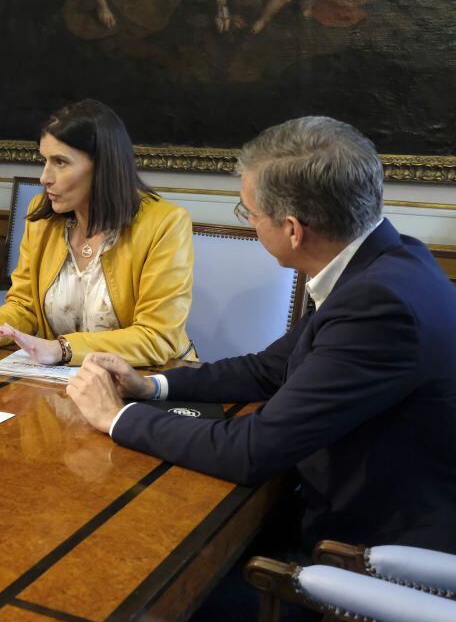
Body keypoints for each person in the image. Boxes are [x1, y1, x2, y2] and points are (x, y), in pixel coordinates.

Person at [65, 116, 456, 553]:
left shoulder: (380, 307)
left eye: (249, 213)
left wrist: (114, 417)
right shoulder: (387, 259)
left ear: (292, 229)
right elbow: (272, 367)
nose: (249, 223)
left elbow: (250, 452)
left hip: (370, 551)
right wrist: (152, 385)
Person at [0, 99, 196, 368]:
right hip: (65, 382)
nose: (44, 177)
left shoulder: (165, 224)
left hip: (150, 378)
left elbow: (156, 337)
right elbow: (24, 306)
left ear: (103, 166)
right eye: (45, 161)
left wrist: (63, 349)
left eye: (60, 162)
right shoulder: (42, 217)